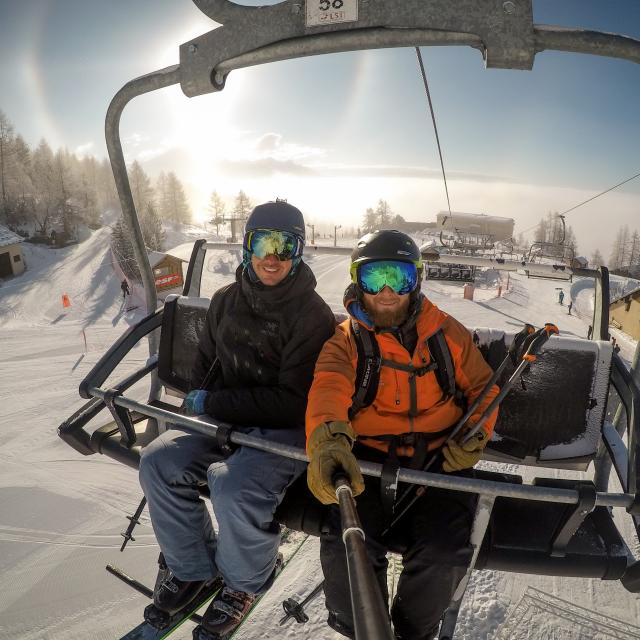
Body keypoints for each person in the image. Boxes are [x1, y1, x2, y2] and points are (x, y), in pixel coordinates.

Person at [139, 200, 336, 637]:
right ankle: (192, 568)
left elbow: (293, 403)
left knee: (233, 485)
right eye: (262, 243)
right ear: (247, 247)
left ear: (299, 251)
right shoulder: (227, 300)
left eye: (284, 246)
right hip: (228, 421)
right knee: (158, 461)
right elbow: (206, 368)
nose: (272, 257)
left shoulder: (312, 316)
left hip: (284, 433)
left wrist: (216, 403)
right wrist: (203, 402)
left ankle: (244, 581)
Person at [305, 230, 500, 640]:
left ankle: (413, 632)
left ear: (418, 280)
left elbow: (484, 388)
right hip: (370, 462)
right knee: (347, 540)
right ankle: (361, 627)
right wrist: (328, 439)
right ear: (359, 282)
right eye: (376, 279)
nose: (389, 291)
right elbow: (329, 387)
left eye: (401, 277)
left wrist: (475, 436)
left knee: (444, 551)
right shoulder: (347, 340)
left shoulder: (446, 335)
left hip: (438, 464)